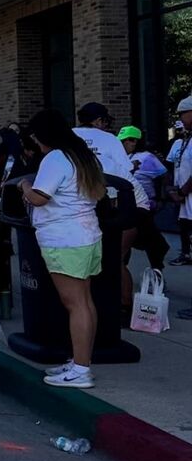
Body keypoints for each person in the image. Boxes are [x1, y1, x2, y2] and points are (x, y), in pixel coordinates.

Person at [19, 110, 106, 389]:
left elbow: (39, 198)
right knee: (85, 301)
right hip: (87, 235)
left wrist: (25, 186)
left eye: (35, 137)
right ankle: (81, 361)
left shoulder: (56, 158)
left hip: (64, 240)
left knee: (75, 304)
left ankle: (81, 371)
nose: (35, 143)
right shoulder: (82, 157)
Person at [72, 102, 149, 313]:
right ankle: (111, 303)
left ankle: (124, 305)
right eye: (105, 122)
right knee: (107, 258)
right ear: (99, 121)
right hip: (112, 204)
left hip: (122, 205)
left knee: (114, 258)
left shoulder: (71, 139)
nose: (105, 126)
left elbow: (123, 182)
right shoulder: (109, 141)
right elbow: (127, 169)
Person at [120, 125, 169, 270]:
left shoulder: (147, 157)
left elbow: (164, 176)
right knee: (125, 240)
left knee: (150, 240)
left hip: (144, 205)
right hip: (125, 204)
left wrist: (161, 198)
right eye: (121, 141)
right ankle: (122, 269)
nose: (123, 144)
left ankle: (156, 270)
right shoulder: (121, 156)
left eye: (126, 140)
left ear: (135, 141)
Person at [170, 97, 192, 265]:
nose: (180, 119)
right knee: (185, 222)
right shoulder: (186, 139)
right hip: (185, 194)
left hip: (187, 192)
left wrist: (182, 192)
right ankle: (186, 254)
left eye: (182, 114)